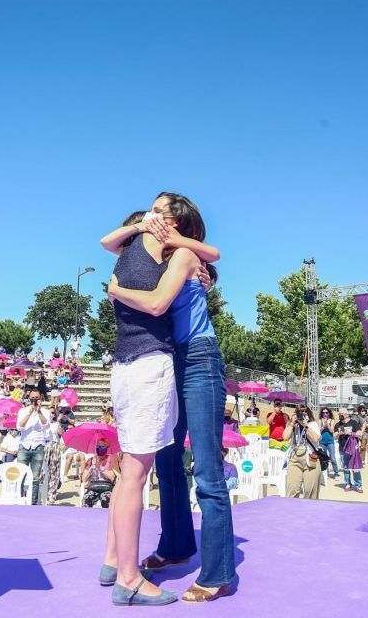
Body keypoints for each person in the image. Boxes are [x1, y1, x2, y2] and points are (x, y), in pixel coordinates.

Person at [104, 193, 233, 603]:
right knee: (166, 457)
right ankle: (176, 545)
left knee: (207, 470)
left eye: (159, 211)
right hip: (170, 357)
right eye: (151, 209)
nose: (151, 215)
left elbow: (161, 301)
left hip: (198, 357)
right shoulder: (159, 255)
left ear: (176, 222)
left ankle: (218, 573)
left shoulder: (184, 256)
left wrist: (116, 289)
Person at [15, 390, 50, 505]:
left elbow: (46, 425)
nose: (34, 400)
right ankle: (19, 499)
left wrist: (39, 411)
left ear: (41, 398)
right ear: (28, 398)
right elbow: (19, 426)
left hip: (38, 445)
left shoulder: (45, 411)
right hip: (24, 445)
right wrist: (29, 413)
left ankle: (33, 502)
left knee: (35, 477)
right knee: (20, 475)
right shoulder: (23, 411)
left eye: (37, 398)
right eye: (32, 398)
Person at [283, 405, 321, 499]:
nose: (301, 414)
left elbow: (316, 439)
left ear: (308, 413)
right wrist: (292, 423)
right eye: (299, 412)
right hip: (295, 458)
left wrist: (306, 425)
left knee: (310, 491)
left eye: (304, 412)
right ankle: (292, 512)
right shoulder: (293, 425)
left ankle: (310, 512)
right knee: (292, 489)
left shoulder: (312, 424)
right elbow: (285, 437)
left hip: (310, 458)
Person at [83, 437, 118, 508]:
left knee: (106, 500)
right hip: (93, 487)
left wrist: (102, 469)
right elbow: (84, 479)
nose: (100, 448)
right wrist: (92, 468)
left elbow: (112, 478)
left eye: (103, 446)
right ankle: (86, 518)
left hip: (107, 487)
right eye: (98, 446)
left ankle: (106, 518)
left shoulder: (110, 459)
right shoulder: (91, 460)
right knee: (86, 499)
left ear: (107, 448)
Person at [335, 408, 364, 492]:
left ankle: (358, 485)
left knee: (356, 468)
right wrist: (339, 433)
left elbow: (360, 433)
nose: (340, 415)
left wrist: (350, 433)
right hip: (343, 448)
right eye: (339, 414)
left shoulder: (354, 423)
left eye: (342, 413)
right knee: (345, 468)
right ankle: (347, 483)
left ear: (347, 414)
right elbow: (334, 435)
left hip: (353, 449)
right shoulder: (338, 424)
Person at [317, 407, 339, 478]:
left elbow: (331, 430)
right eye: (323, 413)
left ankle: (336, 473)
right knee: (324, 458)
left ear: (329, 413)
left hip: (330, 441)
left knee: (332, 458)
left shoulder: (332, 420)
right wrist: (323, 426)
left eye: (326, 412)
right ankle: (325, 473)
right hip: (322, 442)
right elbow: (318, 431)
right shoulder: (320, 420)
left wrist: (327, 424)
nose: (325, 414)